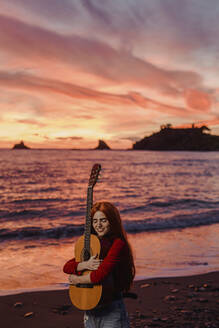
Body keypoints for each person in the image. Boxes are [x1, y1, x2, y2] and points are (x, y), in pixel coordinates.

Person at [63, 201, 135, 328]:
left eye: (103, 220)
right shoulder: (94, 244)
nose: (98, 225)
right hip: (91, 308)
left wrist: (76, 279)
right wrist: (85, 265)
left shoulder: (118, 244)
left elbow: (99, 275)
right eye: (95, 221)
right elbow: (67, 267)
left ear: (112, 221)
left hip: (111, 310)